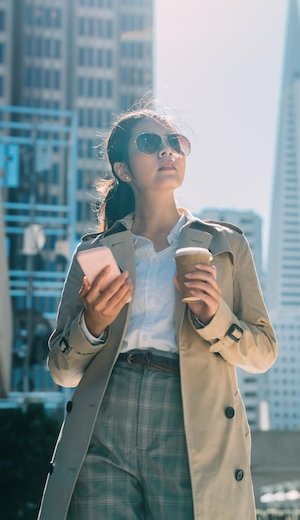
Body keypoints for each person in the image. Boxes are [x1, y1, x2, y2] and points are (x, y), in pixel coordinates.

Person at [37, 104, 278, 520]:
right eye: (150, 143)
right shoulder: (95, 252)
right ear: (124, 170)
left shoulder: (224, 245)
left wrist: (214, 316)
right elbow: (62, 369)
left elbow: (262, 353)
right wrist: (92, 325)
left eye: (175, 143)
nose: (168, 151)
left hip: (189, 422)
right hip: (104, 418)